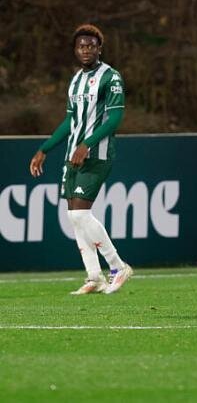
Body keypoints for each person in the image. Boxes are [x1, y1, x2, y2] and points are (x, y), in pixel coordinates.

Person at [29, 24, 133, 295]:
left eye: (91, 46)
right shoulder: (75, 80)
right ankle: (94, 276)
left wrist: (87, 144)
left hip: (96, 153)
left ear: (99, 48)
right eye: (81, 46)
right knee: (74, 217)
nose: (86, 50)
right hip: (72, 154)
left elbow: (115, 118)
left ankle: (118, 266)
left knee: (79, 213)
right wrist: (45, 149)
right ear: (75, 50)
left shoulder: (111, 77)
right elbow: (70, 121)